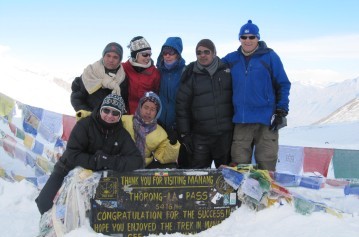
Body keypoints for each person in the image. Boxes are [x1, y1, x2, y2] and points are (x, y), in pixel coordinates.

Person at [35, 94, 143, 215]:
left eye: (115, 113)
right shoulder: (85, 125)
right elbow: (72, 153)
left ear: (120, 115)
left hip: (97, 178)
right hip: (66, 168)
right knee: (44, 203)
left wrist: (109, 161)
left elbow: (137, 160)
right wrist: (96, 161)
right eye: (106, 110)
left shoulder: (122, 134)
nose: (109, 116)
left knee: (88, 214)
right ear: (101, 109)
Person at [222, 20, 291, 171]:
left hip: (266, 120)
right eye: (244, 37)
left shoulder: (270, 57)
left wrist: (281, 110)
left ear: (258, 38)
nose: (248, 40)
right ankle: (240, 194)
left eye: (252, 37)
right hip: (241, 119)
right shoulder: (231, 59)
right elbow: (212, 68)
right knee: (239, 165)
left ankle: (267, 193)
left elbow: (283, 84)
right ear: (239, 39)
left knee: (267, 163)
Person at [176, 39, 233, 169]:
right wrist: (185, 134)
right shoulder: (191, 75)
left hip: (224, 137)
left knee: (227, 179)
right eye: (199, 52)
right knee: (198, 178)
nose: (202, 55)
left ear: (214, 53)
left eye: (206, 52)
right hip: (200, 137)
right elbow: (181, 106)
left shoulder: (226, 72)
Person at [71, 42, 128, 120]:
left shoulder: (122, 78)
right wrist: (91, 115)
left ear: (119, 60)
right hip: (89, 119)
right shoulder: (91, 72)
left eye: (115, 57)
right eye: (108, 56)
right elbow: (77, 98)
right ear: (103, 56)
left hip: (111, 122)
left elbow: (124, 104)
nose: (111, 60)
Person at [122, 91, 179, 169]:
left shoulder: (160, 133)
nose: (148, 112)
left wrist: (173, 144)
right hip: (122, 163)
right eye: (146, 107)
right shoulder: (124, 121)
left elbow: (165, 158)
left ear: (157, 112)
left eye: (153, 109)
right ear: (140, 107)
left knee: (172, 166)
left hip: (143, 164)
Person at [156, 37, 186, 146]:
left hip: (178, 126)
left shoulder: (185, 72)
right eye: (165, 53)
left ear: (178, 54)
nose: (167, 56)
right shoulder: (158, 72)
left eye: (171, 52)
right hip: (159, 125)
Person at [122, 36, 160, 114]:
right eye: (145, 54)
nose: (148, 57)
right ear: (135, 55)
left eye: (150, 55)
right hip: (125, 113)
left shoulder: (154, 73)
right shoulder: (124, 68)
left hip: (144, 115)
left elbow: (156, 94)